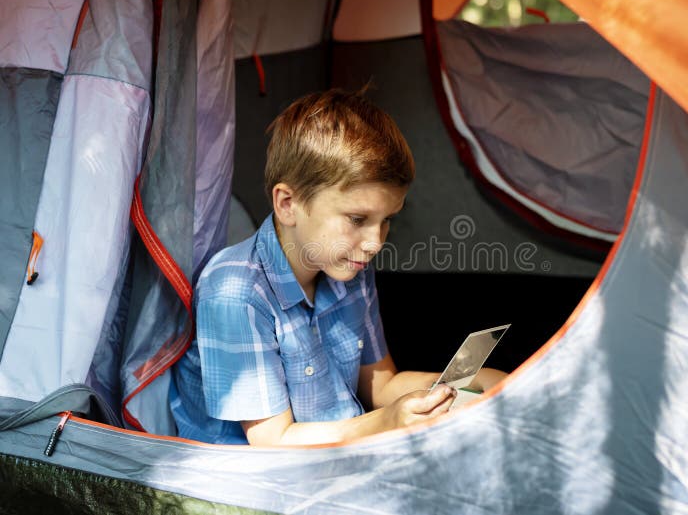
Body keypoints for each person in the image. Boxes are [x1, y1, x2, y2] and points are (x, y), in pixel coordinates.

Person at [169, 88, 504, 446]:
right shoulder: (236, 292)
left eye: (387, 220)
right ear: (288, 204)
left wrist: (466, 383)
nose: (375, 242)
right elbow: (273, 443)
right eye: (357, 219)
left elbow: (383, 385)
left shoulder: (351, 270)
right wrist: (387, 422)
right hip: (252, 484)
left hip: (342, 454)